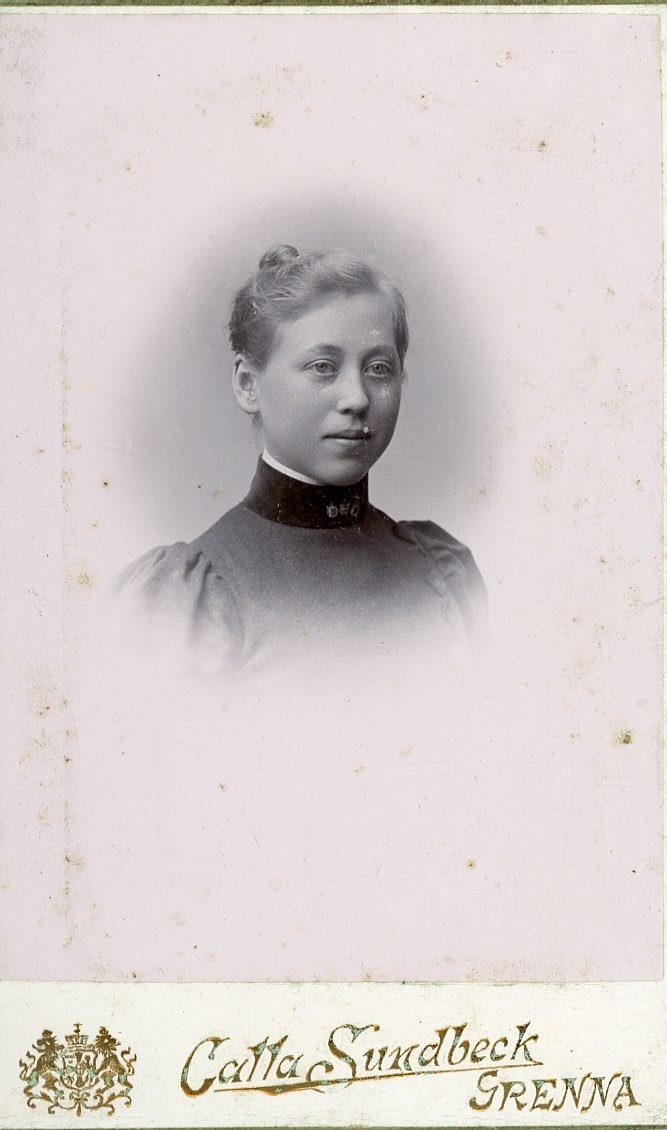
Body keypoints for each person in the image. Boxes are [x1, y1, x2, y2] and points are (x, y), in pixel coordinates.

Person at [117, 245, 486, 680]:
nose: (357, 399)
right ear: (248, 385)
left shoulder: (440, 569)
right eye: (323, 367)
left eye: (379, 368)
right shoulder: (189, 596)